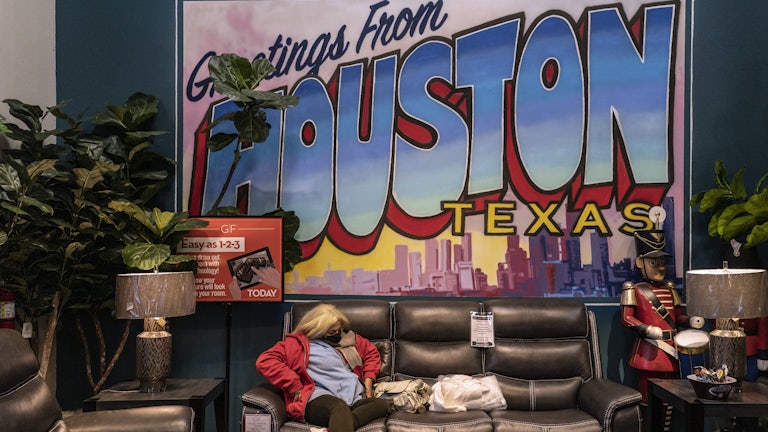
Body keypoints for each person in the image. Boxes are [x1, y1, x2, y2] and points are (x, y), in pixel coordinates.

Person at [256, 304, 390, 431]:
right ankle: (341, 423)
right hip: (318, 397)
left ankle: (339, 425)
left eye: (339, 330)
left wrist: (368, 380)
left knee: (382, 405)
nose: (338, 334)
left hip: (352, 397)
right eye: (332, 332)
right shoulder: (296, 344)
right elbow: (265, 361)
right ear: (318, 330)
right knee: (339, 409)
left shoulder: (349, 339)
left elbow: (371, 353)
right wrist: (293, 384)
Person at [621, 229, 703, 401]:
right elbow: (627, 318)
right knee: (648, 399)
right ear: (639, 262)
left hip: (672, 350)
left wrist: (690, 321)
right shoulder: (633, 288)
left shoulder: (670, 288)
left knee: (671, 399)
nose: (660, 267)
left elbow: (677, 317)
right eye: (653, 263)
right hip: (649, 349)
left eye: (662, 262)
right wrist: (647, 329)